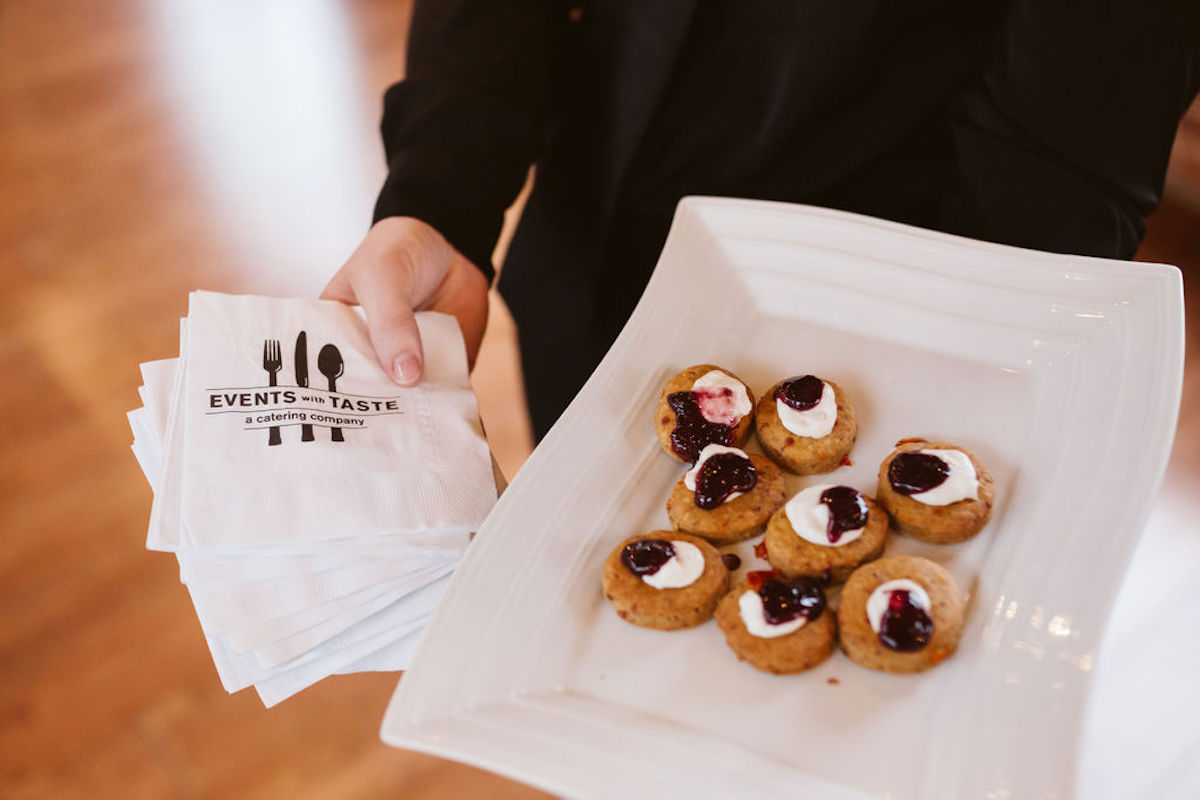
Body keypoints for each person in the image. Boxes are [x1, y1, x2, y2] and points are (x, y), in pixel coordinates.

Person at [322, 0, 1199, 440]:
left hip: (886, 352)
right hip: (586, 280)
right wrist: (440, 194)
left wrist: (953, 389)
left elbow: (1067, 138)